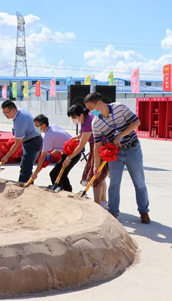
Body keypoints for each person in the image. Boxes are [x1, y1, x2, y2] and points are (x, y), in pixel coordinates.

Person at [84, 92, 150, 223]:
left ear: (99, 103)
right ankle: (113, 212)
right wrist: (96, 165)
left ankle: (144, 211)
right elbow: (97, 145)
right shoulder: (96, 123)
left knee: (139, 182)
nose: (91, 112)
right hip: (115, 154)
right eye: (89, 109)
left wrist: (120, 135)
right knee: (114, 184)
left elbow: (136, 122)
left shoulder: (120, 107)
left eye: (91, 108)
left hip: (132, 149)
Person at [66, 104, 108, 208]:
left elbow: (81, 146)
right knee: (100, 175)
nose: (73, 119)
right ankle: (103, 201)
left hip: (100, 147)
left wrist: (69, 158)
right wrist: (78, 137)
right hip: (96, 146)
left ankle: (98, 204)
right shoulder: (85, 118)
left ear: (80, 115)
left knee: (96, 175)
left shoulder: (89, 121)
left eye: (74, 117)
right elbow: (85, 135)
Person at [0, 100, 43, 183]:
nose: (5, 115)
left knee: (26, 167)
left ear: (13, 110)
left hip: (33, 142)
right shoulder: (19, 111)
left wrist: (6, 156)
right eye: (4, 113)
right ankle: (26, 185)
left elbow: (17, 143)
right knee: (25, 166)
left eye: (6, 113)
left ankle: (26, 187)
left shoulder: (19, 121)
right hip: (32, 140)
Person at [31, 114, 77, 191]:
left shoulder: (48, 136)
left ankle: (59, 191)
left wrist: (35, 173)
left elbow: (42, 157)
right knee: (62, 174)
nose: (35, 128)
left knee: (54, 174)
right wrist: (56, 150)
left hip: (72, 154)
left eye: (37, 126)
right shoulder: (53, 127)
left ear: (43, 125)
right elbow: (64, 138)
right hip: (71, 152)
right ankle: (67, 191)